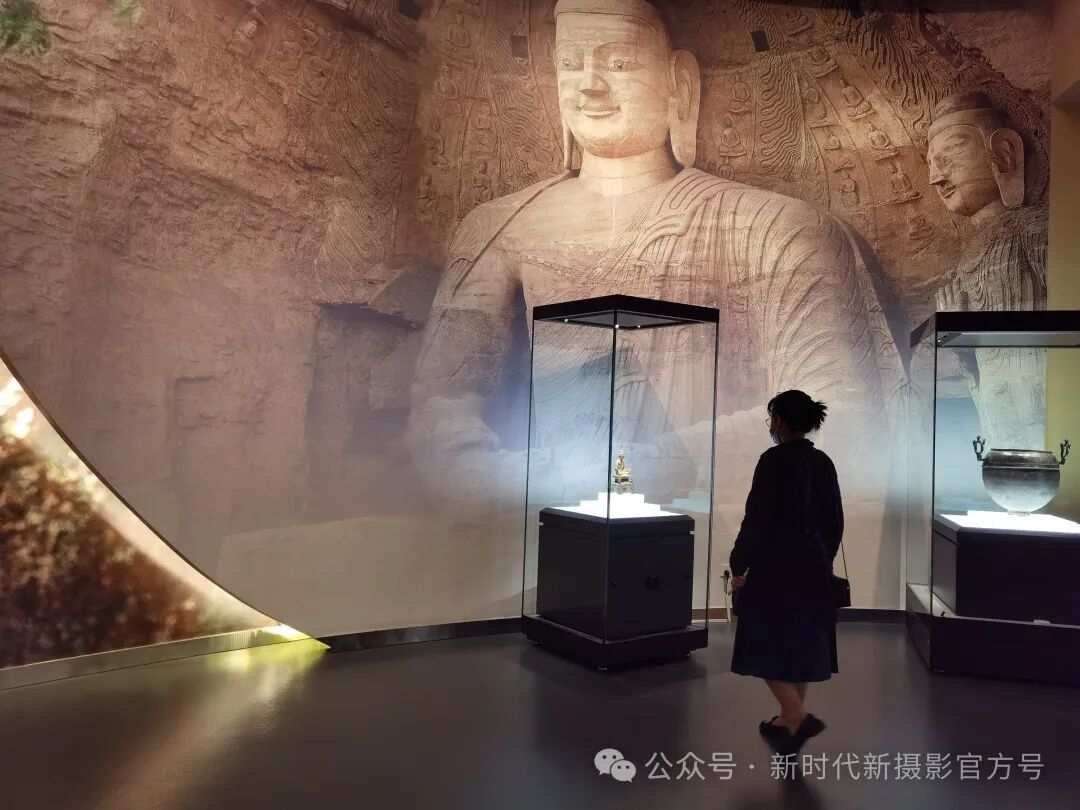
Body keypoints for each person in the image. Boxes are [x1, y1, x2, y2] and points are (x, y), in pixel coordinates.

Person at [729, 390, 843, 754]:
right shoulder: (823, 462)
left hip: (776, 564)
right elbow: (834, 522)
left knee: (760, 636)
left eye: (772, 418)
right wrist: (823, 558)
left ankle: (796, 714)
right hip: (813, 564)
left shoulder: (773, 461)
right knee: (801, 642)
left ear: (779, 421)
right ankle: (788, 723)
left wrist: (739, 562)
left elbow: (756, 519)